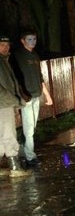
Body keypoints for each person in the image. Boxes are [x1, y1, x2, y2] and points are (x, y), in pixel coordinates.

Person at [9, 29, 53, 167]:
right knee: (29, 129)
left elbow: (40, 77)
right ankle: (30, 157)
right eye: (29, 39)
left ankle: (23, 150)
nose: (32, 42)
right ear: (22, 41)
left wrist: (47, 95)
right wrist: (19, 94)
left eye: (34, 39)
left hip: (36, 95)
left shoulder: (35, 55)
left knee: (31, 127)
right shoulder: (17, 56)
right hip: (26, 97)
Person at [0, 34, 31, 177]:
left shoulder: (4, 61)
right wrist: (14, 100)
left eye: (7, 45)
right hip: (3, 104)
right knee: (8, 133)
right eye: (2, 45)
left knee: (2, 134)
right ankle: (15, 167)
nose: (6, 48)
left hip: (5, 102)